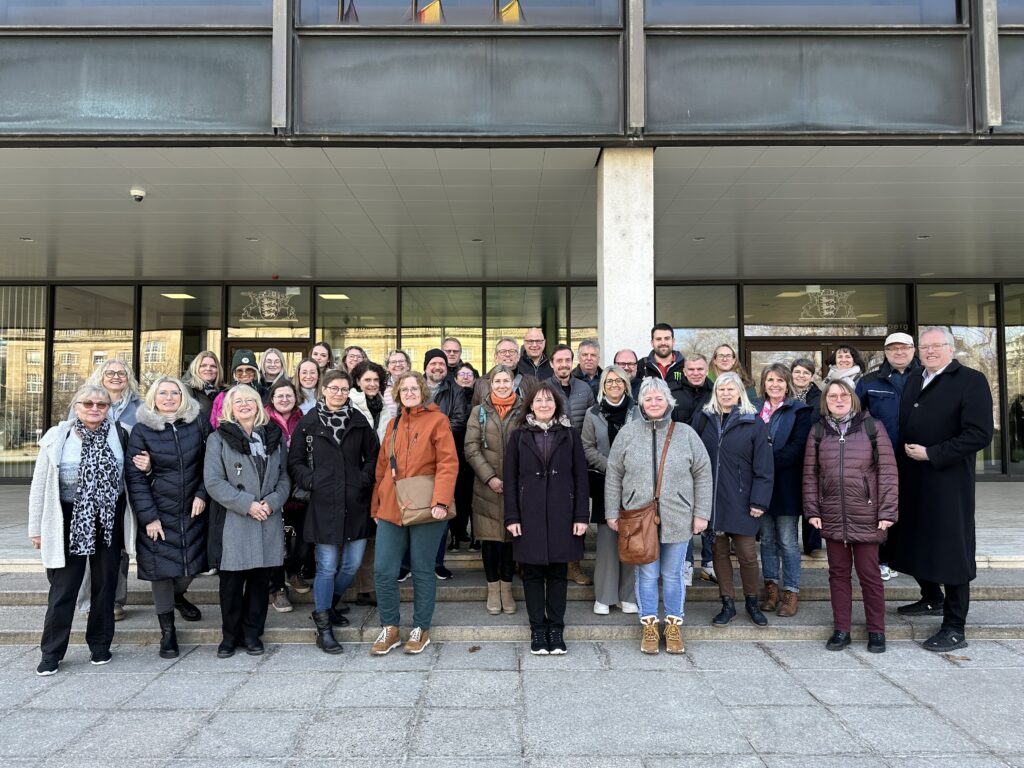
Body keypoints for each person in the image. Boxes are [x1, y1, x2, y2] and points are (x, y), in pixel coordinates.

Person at [888, 326, 994, 652]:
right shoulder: (917, 378)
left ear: (950, 348)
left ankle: (954, 628)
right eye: (925, 347)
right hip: (913, 479)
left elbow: (979, 434)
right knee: (915, 540)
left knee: (951, 550)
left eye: (936, 346)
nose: (930, 351)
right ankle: (931, 597)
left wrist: (933, 453)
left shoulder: (970, 380)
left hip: (948, 482)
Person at [29, 385, 135, 675]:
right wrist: (35, 528)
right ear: (76, 406)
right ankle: (51, 652)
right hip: (67, 518)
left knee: (105, 586)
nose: (94, 408)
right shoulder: (58, 436)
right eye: (87, 403)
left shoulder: (121, 433)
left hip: (108, 519)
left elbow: (133, 476)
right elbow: (40, 485)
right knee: (64, 588)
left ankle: (100, 646)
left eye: (101, 404)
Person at [606, 378, 713, 654]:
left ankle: (674, 625)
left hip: (678, 517)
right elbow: (614, 475)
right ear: (641, 402)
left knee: (673, 574)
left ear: (669, 401)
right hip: (639, 518)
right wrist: (611, 511)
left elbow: (702, 473)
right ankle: (650, 625)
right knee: (647, 574)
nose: (654, 403)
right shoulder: (627, 434)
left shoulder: (686, 433)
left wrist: (701, 513)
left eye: (659, 398)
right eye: (649, 399)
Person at [803, 379, 898, 653]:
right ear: (826, 402)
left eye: (844, 395)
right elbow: (810, 474)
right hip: (832, 513)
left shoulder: (872, 427)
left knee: (869, 574)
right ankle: (841, 629)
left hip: (867, 513)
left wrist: (887, 511)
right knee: (838, 574)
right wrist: (812, 510)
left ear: (853, 399)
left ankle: (876, 631)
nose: (839, 400)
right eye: (832, 396)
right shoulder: (818, 432)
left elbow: (888, 473)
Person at [290, 370, 379, 654]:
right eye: (334, 388)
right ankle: (323, 624)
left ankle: (330, 604)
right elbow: (295, 462)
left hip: (355, 503)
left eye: (344, 389)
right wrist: (312, 481)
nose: (339, 393)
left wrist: (362, 479)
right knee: (327, 566)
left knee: (351, 564)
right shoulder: (309, 422)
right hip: (324, 503)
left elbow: (373, 456)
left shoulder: (358, 421)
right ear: (324, 390)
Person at [370, 371, 458, 656]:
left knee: (422, 568)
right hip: (391, 507)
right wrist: (377, 505)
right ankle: (390, 628)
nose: (409, 392)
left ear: (422, 391)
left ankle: (421, 628)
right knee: (383, 569)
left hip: (427, 506)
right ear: (397, 393)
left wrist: (442, 501)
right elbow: (382, 468)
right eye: (404, 388)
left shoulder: (438, 421)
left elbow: (448, 463)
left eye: (413, 387)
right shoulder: (393, 424)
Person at [125, 376, 209, 659]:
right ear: (154, 397)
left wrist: (202, 493)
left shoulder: (198, 423)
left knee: (192, 566)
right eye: (163, 393)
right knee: (161, 570)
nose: (170, 397)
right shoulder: (141, 430)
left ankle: (177, 596)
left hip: (193, 508)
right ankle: (168, 631)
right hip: (158, 509)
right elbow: (135, 478)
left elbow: (210, 463)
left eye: (175, 392)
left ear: (183, 396)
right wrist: (149, 517)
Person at [204, 384, 290, 658]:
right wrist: (247, 505)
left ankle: (253, 634)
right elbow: (214, 482)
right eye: (238, 401)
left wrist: (272, 502)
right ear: (230, 406)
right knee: (231, 584)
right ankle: (229, 637)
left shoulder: (273, 437)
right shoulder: (218, 439)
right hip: (236, 520)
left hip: (267, 517)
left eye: (249, 400)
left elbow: (285, 477)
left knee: (259, 583)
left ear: (257, 405)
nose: (244, 405)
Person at [504, 381, 589, 655]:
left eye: (548, 401)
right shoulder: (518, 435)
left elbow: (581, 477)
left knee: (557, 573)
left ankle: (556, 628)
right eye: (538, 401)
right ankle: (537, 630)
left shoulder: (570, 434)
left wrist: (581, 516)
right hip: (528, 514)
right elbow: (510, 479)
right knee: (531, 573)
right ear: (530, 404)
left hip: (563, 512)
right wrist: (512, 516)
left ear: (556, 404)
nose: (543, 405)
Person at [693, 372, 774, 628]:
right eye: (721, 390)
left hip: (743, 499)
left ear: (739, 392)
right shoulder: (704, 419)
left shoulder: (753, 422)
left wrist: (759, 501)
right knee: (718, 552)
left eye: (731, 389)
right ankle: (727, 602)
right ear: (715, 393)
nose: (726, 394)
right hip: (712, 500)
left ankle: (751, 601)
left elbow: (764, 467)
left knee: (747, 554)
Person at [74, 358, 142, 621]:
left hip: (122, 489)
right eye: (110, 373)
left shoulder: (139, 408)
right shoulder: (84, 401)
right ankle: (88, 601)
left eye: (122, 373)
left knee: (120, 549)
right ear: (101, 376)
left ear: (129, 378)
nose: (116, 377)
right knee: (88, 544)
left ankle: (115, 600)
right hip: (88, 490)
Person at [856, 331, 922, 581]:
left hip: (920, 459)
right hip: (880, 461)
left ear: (913, 350)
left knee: (916, 509)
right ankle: (884, 560)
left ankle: (914, 559)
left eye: (904, 347)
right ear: (885, 352)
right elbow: (856, 418)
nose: (899, 352)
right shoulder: (870, 381)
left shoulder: (928, 379)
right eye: (893, 348)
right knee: (881, 511)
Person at [755, 363, 813, 618]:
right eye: (770, 380)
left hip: (786, 485)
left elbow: (798, 447)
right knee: (766, 540)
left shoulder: (800, 410)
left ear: (787, 383)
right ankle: (771, 588)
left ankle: (790, 591)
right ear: (763, 384)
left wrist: (764, 463)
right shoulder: (756, 410)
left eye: (780, 380)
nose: (775, 385)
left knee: (788, 541)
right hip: (760, 487)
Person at [581, 366, 639, 616]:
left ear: (626, 384)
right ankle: (604, 596)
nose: (614, 384)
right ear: (603, 385)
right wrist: (612, 466)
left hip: (634, 483)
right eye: (609, 381)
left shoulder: (638, 413)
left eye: (619, 381)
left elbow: (643, 444)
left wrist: (628, 468)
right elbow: (587, 446)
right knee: (606, 541)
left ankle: (627, 595)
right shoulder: (592, 413)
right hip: (604, 481)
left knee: (630, 539)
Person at [464, 365, 522, 615]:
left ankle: (507, 590)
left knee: (510, 541)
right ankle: (492, 589)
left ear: (512, 383)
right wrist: (490, 477)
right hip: (486, 487)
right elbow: (471, 448)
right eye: (497, 381)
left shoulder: (523, 409)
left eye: (505, 381)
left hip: (515, 486)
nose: (501, 385)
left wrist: (512, 479)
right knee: (490, 541)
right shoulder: (479, 412)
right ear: (490, 384)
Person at [546, 343, 595, 587]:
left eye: (568, 360)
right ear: (552, 363)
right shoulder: (544, 388)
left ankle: (574, 565)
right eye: (559, 361)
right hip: (550, 459)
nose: (564, 364)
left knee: (578, 511)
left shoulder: (584, 388)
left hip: (578, 458)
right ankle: (553, 564)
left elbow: (592, 421)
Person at [424, 348, 470, 565]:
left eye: (441, 364)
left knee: (441, 508)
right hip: (417, 461)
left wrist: (430, 437)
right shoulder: (416, 387)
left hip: (444, 456)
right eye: (433, 363)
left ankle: (438, 562)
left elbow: (459, 421)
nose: (437, 367)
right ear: (425, 367)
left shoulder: (456, 390)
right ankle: (413, 563)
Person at [265, 379, 308, 613]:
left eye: (288, 395)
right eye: (279, 395)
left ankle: (294, 571)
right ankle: (277, 588)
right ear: (272, 398)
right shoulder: (262, 420)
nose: (284, 399)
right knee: (276, 542)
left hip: (300, 489)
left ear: (295, 397)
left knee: (300, 539)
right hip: (273, 488)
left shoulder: (304, 419)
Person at [674, 353, 715, 584]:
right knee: (685, 512)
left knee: (707, 510)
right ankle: (687, 563)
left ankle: (709, 563)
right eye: (691, 369)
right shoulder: (673, 393)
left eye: (700, 369)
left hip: (710, 458)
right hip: (682, 460)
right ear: (685, 370)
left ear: (706, 369)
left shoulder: (715, 392)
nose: (696, 373)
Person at [791, 357, 824, 559]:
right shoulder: (784, 394)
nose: (801, 376)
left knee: (811, 497)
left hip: (812, 453)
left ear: (812, 376)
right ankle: (788, 541)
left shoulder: (820, 397)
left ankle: (813, 543)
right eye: (797, 372)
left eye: (805, 373)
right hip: (790, 452)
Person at [472, 336, 537, 405]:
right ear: (496, 357)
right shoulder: (481, 383)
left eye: (512, 351)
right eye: (503, 351)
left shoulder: (531, 382)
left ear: (518, 357)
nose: (507, 354)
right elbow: (476, 412)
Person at [210, 350, 262, 429]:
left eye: (249, 370)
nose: (244, 374)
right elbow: (215, 423)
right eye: (239, 371)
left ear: (255, 372)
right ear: (234, 373)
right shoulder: (224, 396)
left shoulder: (264, 393)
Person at [637, 323, 686, 398]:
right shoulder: (641, 365)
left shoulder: (685, 365)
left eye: (667, 338)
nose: (663, 343)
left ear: (673, 341)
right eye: (658, 339)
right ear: (652, 343)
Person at [350, 360, 393, 443]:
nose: (373, 384)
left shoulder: (382, 404)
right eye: (368, 380)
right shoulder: (349, 405)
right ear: (358, 381)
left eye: (376, 380)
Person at [184, 351, 225, 422]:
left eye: (213, 366)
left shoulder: (222, 391)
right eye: (203, 365)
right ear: (196, 368)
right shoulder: (186, 389)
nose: (208, 369)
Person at [383, 349, 411, 416]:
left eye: (401, 361)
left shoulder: (417, 383)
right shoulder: (381, 385)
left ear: (408, 366)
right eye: (393, 362)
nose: (398, 364)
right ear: (387, 367)